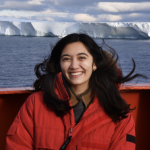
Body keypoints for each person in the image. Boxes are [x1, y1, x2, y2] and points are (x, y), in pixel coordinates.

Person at [5, 33, 145, 150]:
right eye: (66, 59)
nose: (73, 65)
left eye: (82, 57)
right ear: (59, 64)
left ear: (94, 64)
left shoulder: (118, 111)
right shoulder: (36, 103)